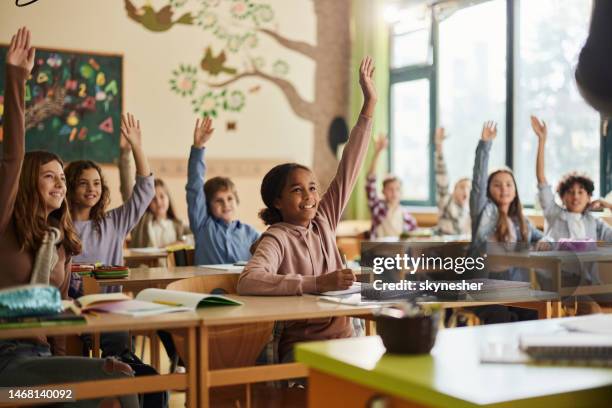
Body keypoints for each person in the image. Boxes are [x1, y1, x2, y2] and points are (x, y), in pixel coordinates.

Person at [0, 26, 138, 408]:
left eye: (63, 178)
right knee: (82, 392)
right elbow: (12, 157)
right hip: (7, 365)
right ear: (29, 182)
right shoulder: (5, 223)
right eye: (50, 177)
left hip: (43, 363)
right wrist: (16, 78)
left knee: (116, 379)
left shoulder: (59, 242)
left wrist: (61, 358)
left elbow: (58, 320)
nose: (61, 184)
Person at [237, 56, 376, 362]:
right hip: (303, 347)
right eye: (297, 190)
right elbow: (249, 279)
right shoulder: (276, 238)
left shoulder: (323, 220)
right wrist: (315, 284)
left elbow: (349, 167)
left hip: (344, 339)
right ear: (277, 201)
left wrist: (369, 105)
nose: (310, 196)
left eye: (313, 187)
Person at [186, 116, 259, 265]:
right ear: (207, 205)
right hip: (208, 287)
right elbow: (195, 187)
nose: (226, 204)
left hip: (241, 287)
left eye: (230, 198)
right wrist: (198, 147)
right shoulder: (203, 226)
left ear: (236, 200)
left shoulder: (251, 233)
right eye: (218, 200)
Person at [364, 134, 417, 238]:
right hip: (378, 252)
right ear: (383, 191)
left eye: (397, 189)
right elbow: (370, 181)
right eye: (390, 189)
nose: (394, 193)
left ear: (401, 193)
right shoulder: (378, 209)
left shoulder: (407, 218)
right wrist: (378, 153)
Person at [434, 127, 471, 235]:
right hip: (443, 248)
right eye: (462, 187)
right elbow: (442, 178)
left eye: (469, 188)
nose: (466, 191)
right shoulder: (446, 201)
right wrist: (439, 146)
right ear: (453, 190)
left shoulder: (468, 212)